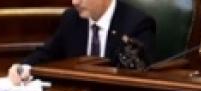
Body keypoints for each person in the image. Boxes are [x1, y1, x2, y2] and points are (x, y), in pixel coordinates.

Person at [8, 0, 156, 84]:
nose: (75, 2)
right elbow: (47, 52)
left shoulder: (137, 24)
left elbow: (137, 78)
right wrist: (23, 67)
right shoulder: (71, 19)